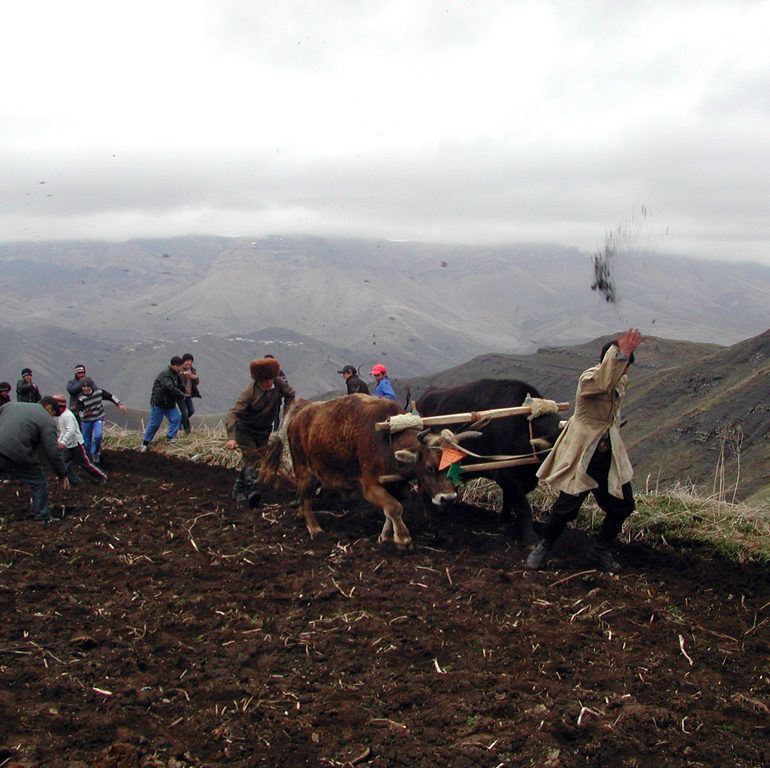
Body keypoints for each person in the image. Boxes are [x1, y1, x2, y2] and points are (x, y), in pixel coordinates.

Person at [527, 329, 644, 571]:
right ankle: (544, 547)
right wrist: (620, 354)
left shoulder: (620, 380)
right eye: (621, 365)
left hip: (608, 452)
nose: (624, 372)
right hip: (584, 452)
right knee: (566, 508)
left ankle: (600, 551)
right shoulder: (589, 379)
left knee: (623, 504)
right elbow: (603, 382)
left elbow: (612, 388)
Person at [226, 357, 295, 506]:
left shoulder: (278, 383)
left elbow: (290, 395)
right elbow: (233, 414)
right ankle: (252, 492)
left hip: (264, 431)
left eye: (270, 379)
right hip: (245, 430)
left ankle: (238, 489)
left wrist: (287, 415)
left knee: (257, 460)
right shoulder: (249, 393)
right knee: (251, 458)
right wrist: (231, 438)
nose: (268, 383)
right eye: (264, 381)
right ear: (258, 380)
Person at [0, 398, 70, 522]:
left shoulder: (10, 405)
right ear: (49, 407)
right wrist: (62, 473)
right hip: (15, 453)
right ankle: (42, 516)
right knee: (38, 481)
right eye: (53, 414)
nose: (52, 417)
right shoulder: (47, 421)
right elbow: (52, 452)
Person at [52, 393, 107, 484]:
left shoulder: (67, 416)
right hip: (68, 445)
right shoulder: (61, 416)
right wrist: (60, 441)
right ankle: (74, 480)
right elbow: (63, 431)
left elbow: (71, 430)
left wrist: (63, 442)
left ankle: (102, 477)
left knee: (85, 464)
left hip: (76, 444)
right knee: (63, 462)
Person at [73, 378, 127, 463]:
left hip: (98, 417)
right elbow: (79, 412)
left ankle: (95, 453)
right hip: (86, 421)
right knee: (86, 442)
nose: (86, 389)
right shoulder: (80, 398)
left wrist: (119, 404)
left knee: (98, 435)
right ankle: (87, 458)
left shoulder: (99, 392)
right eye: (84, 387)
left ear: (91, 387)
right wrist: (85, 414)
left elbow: (110, 396)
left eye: (88, 387)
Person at [139, 357, 187, 452]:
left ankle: (170, 438)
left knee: (176, 418)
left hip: (169, 403)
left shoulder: (175, 374)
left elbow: (179, 384)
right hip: (159, 403)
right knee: (154, 424)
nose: (180, 368)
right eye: (179, 366)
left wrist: (183, 388)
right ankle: (145, 443)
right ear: (174, 365)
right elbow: (169, 387)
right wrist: (181, 394)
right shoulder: (165, 374)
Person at [179, 353, 201, 435]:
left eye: (191, 361)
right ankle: (187, 431)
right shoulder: (180, 370)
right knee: (184, 412)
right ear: (183, 361)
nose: (189, 363)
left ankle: (178, 424)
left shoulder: (192, 370)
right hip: (180, 394)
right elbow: (176, 379)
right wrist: (183, 374)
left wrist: (194, 377)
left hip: (188, 395)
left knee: (191, 411)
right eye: (187, 361)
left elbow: (197, 382)